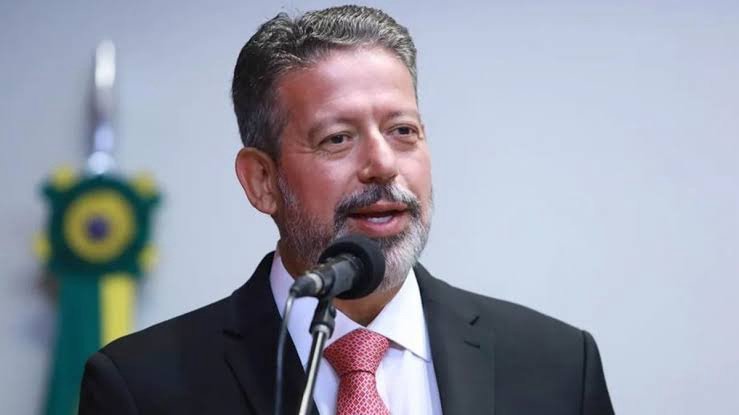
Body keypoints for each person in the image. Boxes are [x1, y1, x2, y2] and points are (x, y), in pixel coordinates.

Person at [79, 5, 614, 415]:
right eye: (337, 139)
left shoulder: (561, 366)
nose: (383, 164)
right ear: (262, 181)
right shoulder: (141, 387)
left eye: (403, 131)